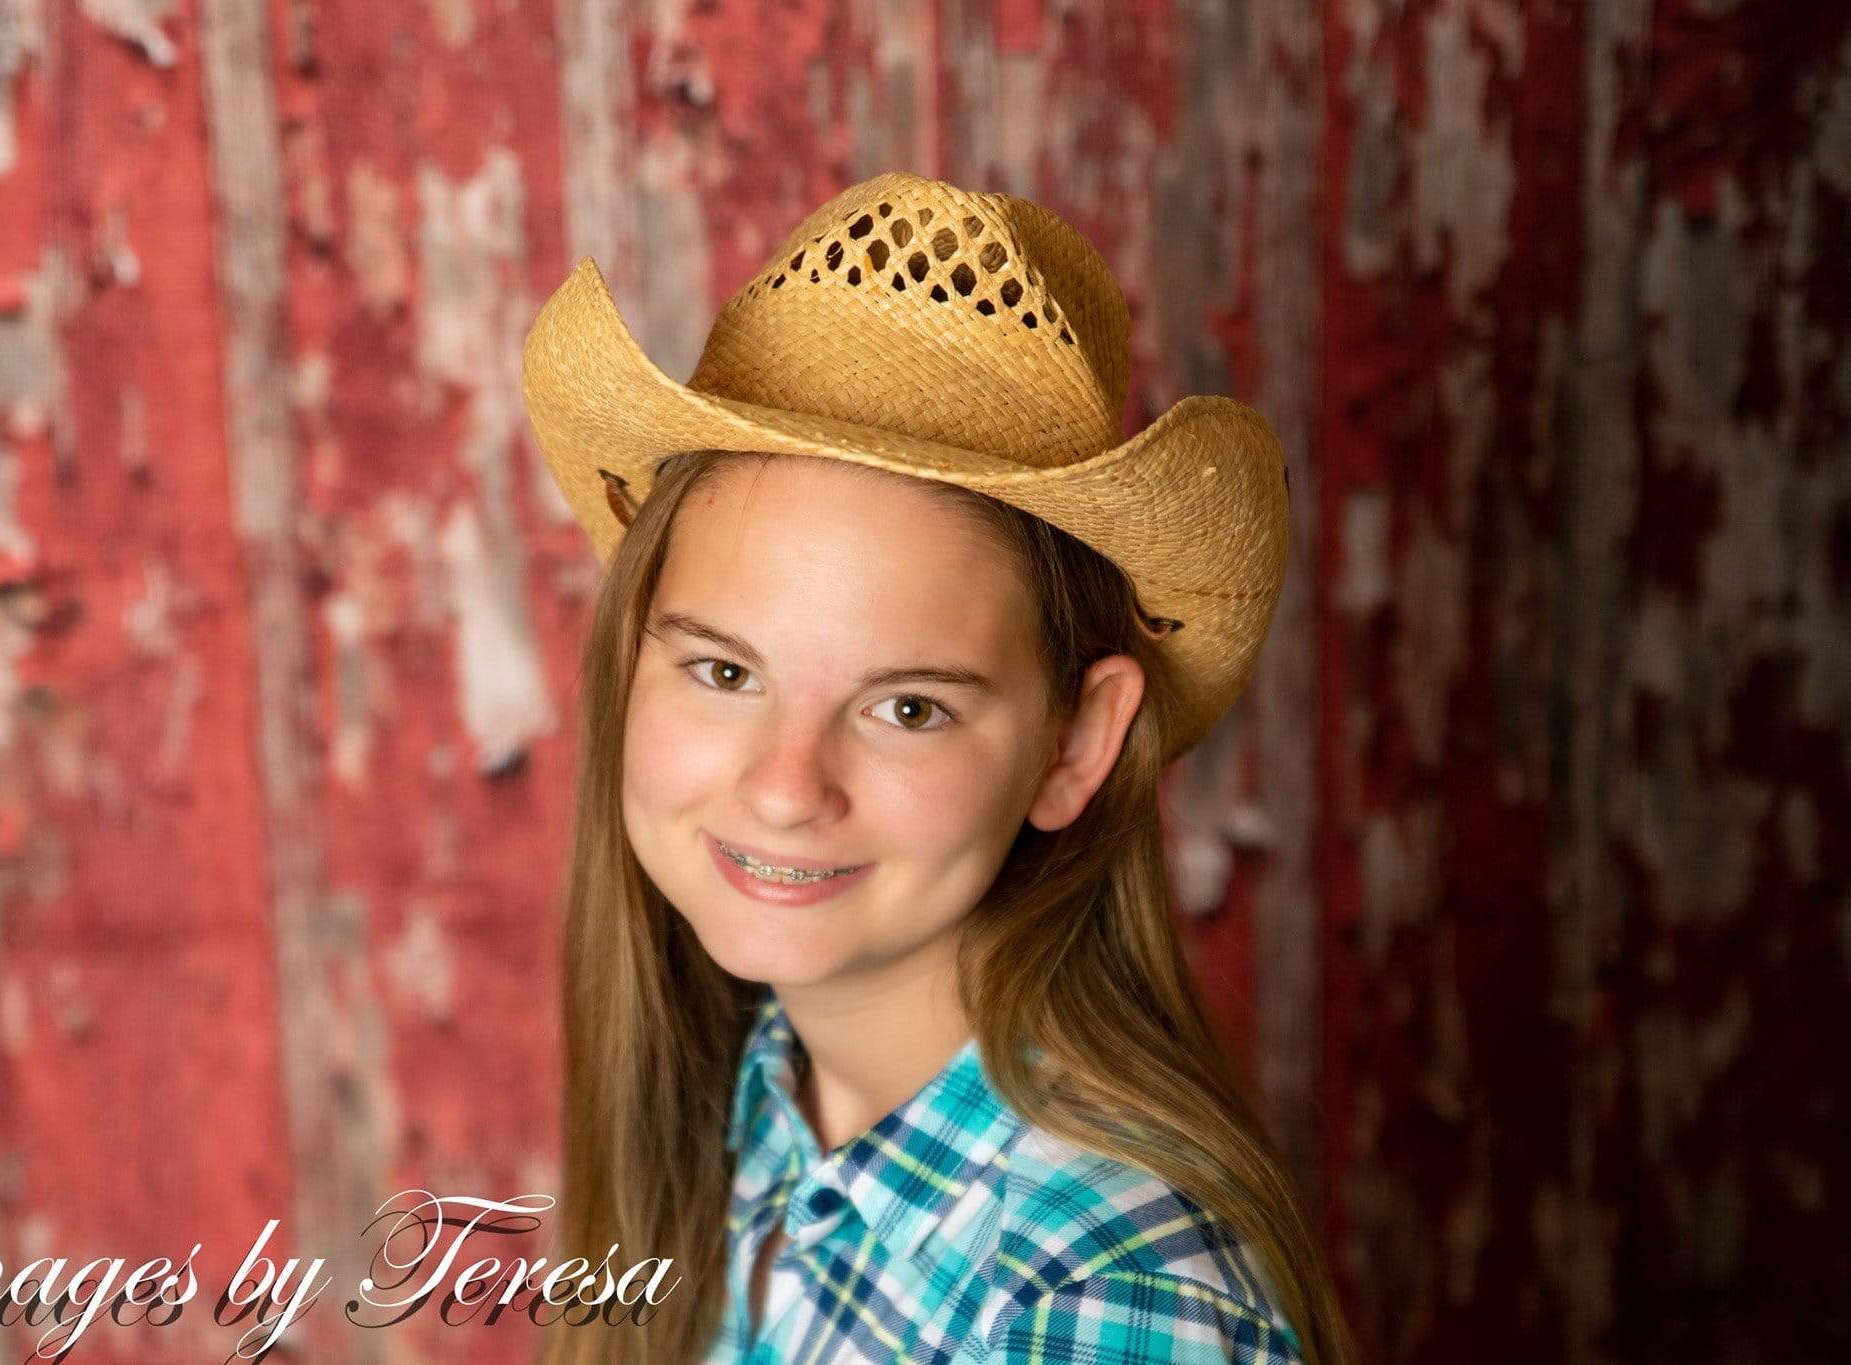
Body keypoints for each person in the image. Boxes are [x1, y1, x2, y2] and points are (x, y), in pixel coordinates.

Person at [521, 171, 1352, 1364]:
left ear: (1073, 745)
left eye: (906, 706)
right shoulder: (761, 1105)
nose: (783, 786)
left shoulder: (1093, 1301)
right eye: (723, 673)